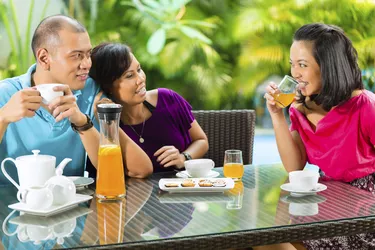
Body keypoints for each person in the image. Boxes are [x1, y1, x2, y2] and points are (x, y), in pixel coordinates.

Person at [0, 15, 153, 187]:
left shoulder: (90, 90)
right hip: (12, 207)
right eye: (77, 56)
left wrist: (82, 122)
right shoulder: (5, 94)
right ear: (44, 58)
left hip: (73, 207)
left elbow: (140, 169)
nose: (87, 64)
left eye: (88, 54)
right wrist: (2, 117)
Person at [259, 23, 375, 250]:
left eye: (303, 65)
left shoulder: (365, 107)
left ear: (328, 67)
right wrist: (276, 115)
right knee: (261, 239)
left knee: (268, 241)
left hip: (362, 217)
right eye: (293, 65)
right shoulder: (300, 109)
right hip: (324, 206)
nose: (295, 74)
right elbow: (294, 167)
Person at [88, 42, 209, 172]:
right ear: (108, 87)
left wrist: (183, 157)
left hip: (180, 188)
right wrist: (110, 121)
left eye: (139, 69)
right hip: (136, 192)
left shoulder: (167, 99)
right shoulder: (102, 125)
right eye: (129, 75)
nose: (140, 79)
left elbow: (201, 141)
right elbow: (111, 171)